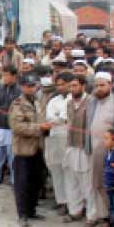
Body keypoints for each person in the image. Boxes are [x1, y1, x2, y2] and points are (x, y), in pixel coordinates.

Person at [84, 71, 114, 227]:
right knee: (98, 184)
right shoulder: (92, 101)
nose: (99, 88)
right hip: (95, 150)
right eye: (96, 85)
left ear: (111, 85)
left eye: (103, 85)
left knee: (113, 185)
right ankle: (106, 219)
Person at [9, 74, 50, 227]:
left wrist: (45, 127)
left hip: (38, 147)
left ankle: (32, 210)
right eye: (28, 86)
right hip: (23, 149)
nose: (31, 88)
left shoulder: (38, 102)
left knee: (37, 181)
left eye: (33, 85)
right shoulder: (18, 104)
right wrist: (39, 128)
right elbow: (17, 127)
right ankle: (23, 214)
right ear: (22, 87)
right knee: (22, 183)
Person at [62, 74, 91, 223]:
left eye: (75, 85)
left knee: (86, 182)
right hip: (71, 145)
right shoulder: (69, 103)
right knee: (71, 180)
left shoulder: (91, 102)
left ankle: (92, 216)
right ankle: (75, 211)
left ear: (83, 86)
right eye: (71, 86)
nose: (72, 89)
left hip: (84, 147)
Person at [43, 71, 72, 216]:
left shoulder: (74, 99)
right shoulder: (53, 100)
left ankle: (72, 203)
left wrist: (58, 118)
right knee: (56, 169)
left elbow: (65, 117)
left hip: (69, 139)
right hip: (54, 137)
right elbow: (49, 117)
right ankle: (61, 201)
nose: (60, 87)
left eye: (63, 84)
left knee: (69, 170)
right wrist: (59, 118)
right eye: (58, 84)